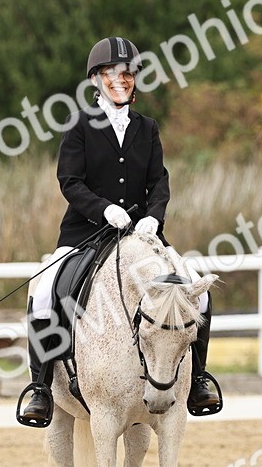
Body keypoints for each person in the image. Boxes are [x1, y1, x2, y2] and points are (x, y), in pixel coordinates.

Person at [16, 36, 222, 427]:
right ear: (96, 79)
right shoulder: (79, 125)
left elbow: (159, 181)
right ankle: (41, 387)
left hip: (142, 237)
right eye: (111, 74)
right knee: (45, 292)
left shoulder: (148, 128)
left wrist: (153, 218)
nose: (120, 80)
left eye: (126, 74)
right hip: (86, 233)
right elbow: (70, 181)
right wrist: (104, 208)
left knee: (200, 295)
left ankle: (197, 379)